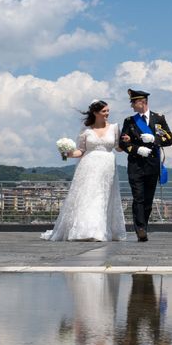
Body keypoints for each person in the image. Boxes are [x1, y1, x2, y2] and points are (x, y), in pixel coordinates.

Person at [41, 100, 127, 242]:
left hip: (107, 166)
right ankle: (87, 230)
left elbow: (118, 148)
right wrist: (67, 153)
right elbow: (80, 151)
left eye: (108, 111)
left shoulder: (115, 128)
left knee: (103, 197)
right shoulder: (86, 130)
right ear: (95, 113)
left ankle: (100, 229)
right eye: (104, 111)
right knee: (89, 195)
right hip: (88, 165)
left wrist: (128, 142)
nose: (107, 113)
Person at [119, 89, 172, 242]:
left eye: (133, 103)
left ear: (142, 102)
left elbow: (169, 139)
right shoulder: (129, 121)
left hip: (152, 165)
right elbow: (123, 142)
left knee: (148, 200)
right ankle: (140, 229)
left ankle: (144, 226)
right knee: (138, 198)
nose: (131, 106)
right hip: (136, 164)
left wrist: (154, 139)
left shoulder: (159, 118)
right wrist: (137, 149)